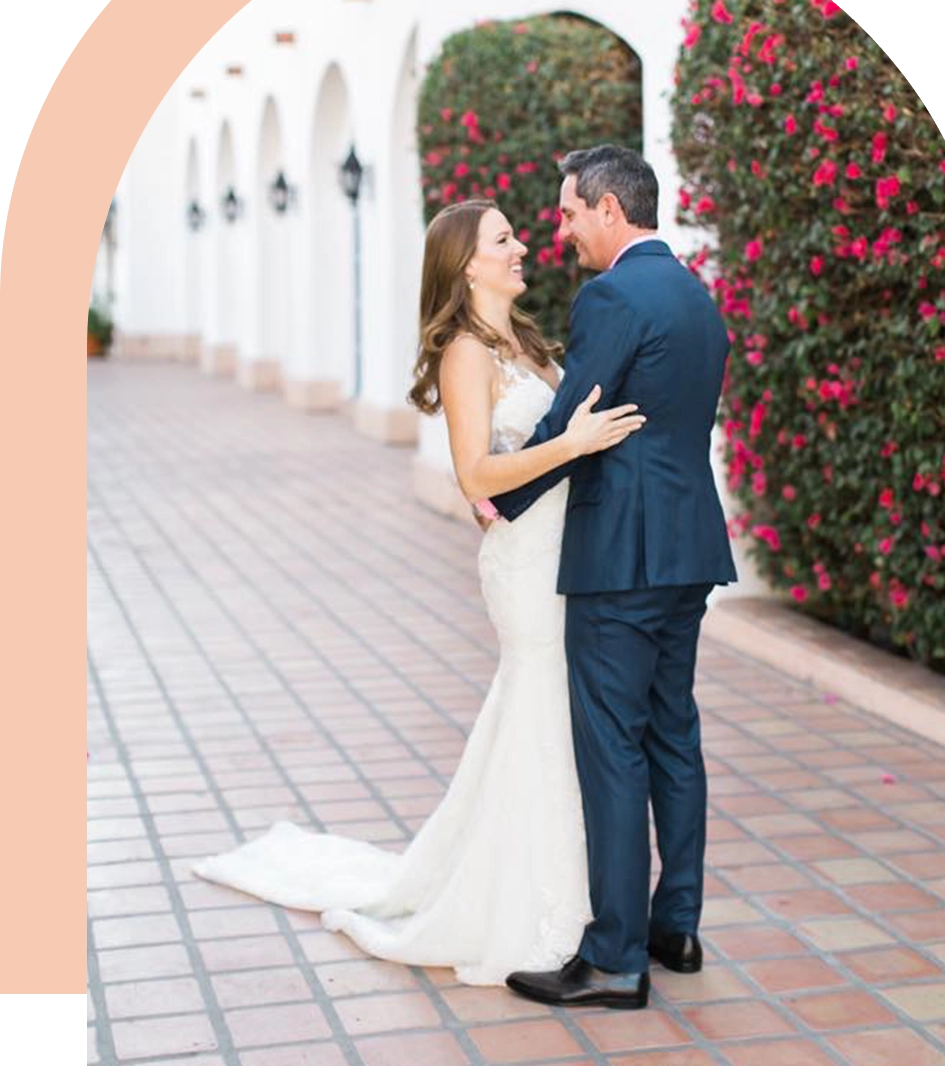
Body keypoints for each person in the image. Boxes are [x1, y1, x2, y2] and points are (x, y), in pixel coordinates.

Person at [191, 197, 645, 986]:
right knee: (542, 714)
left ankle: (581, 908)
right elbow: (475, 473)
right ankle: (547, 915)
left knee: (554, 721)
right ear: (468, 263)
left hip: (570, 553)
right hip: (529, 564)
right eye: (504, 238)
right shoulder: (467, 353)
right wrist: (571, 445)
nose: (522, 246)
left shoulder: (527, 342)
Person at [482, 144, 738, 1010]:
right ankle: (679, 926)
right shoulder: (697, 295)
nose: (561, 230)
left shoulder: (614, 295)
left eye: (567, 213)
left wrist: (500, 501)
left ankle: (616, 956)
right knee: (674, 735)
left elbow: (573, 418)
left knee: (613, 750)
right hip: (688, 549)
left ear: (609, 211)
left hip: (620, 558)